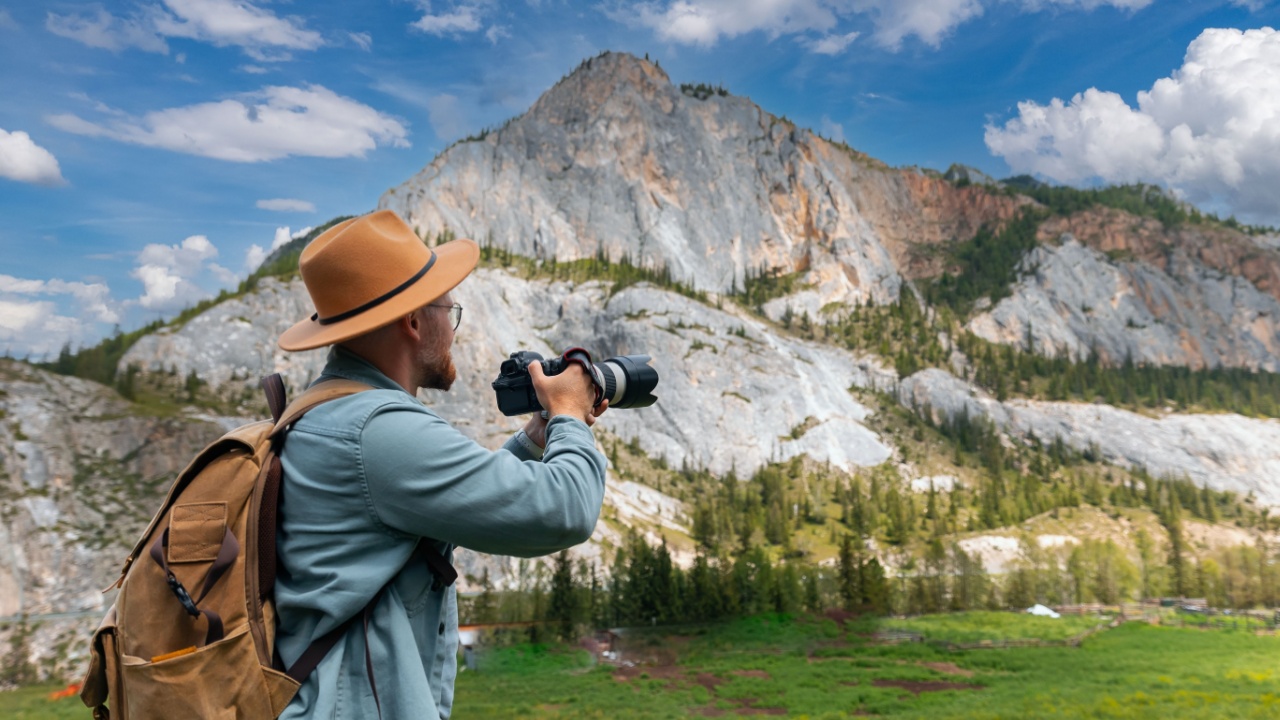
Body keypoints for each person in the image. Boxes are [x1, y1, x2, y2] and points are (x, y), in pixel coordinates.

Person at [273, 210, 608, 718]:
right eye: (448, 313)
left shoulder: (326, 410)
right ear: (412, 321)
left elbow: (440, 507)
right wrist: (569, 413)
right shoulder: (376, 431)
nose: (453, 331)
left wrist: (534, 439)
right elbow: (566, 510)